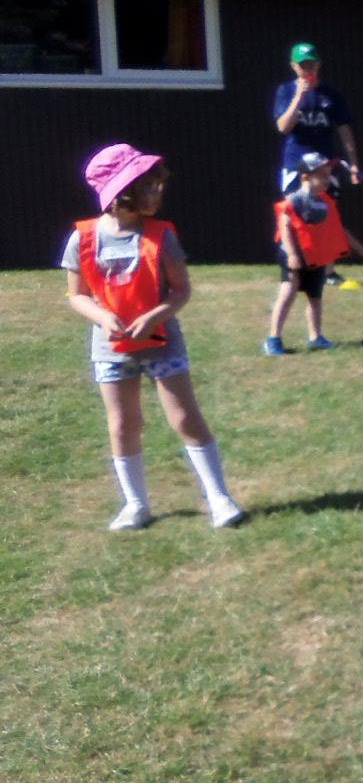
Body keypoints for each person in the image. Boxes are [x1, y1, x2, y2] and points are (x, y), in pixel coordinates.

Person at [62, 144, 246, 531]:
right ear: (120, 192)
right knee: (123, 425)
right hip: (111, 350)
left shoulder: (162, 236)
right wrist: (103, 317)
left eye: (158, 184)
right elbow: (77, 295)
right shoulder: (83, 239)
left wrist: (154, 317)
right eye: (148, 185)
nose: (158, 192)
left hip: (162, 343)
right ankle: (135, 505)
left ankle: (219, 498)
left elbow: (181, 290)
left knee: (185, 418)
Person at [267, 153, 363, 355]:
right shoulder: (294, 200)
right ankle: (273, 339)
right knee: (288, 293)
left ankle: (316, 337)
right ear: (305, 177)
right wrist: (292, 255)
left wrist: (362, 250)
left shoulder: (326, 201)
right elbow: (285, 226)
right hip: (294, 255)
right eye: (322, 175)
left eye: (328, 175)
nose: (328, 180)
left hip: (316, 257)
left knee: (315, 297)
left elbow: (339, 229)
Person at [273, 42, 363, 191]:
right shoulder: (285, 91)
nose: (308, 70)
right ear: (294, 66)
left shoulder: (331, 93)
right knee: (297, 203)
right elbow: (283, 128)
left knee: (325, 204)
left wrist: (354, 164)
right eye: (303, 66)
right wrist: (298, 97)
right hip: (296, 163)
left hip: (324, 164)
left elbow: (344, 129)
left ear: (318, 65)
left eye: (311, 65)